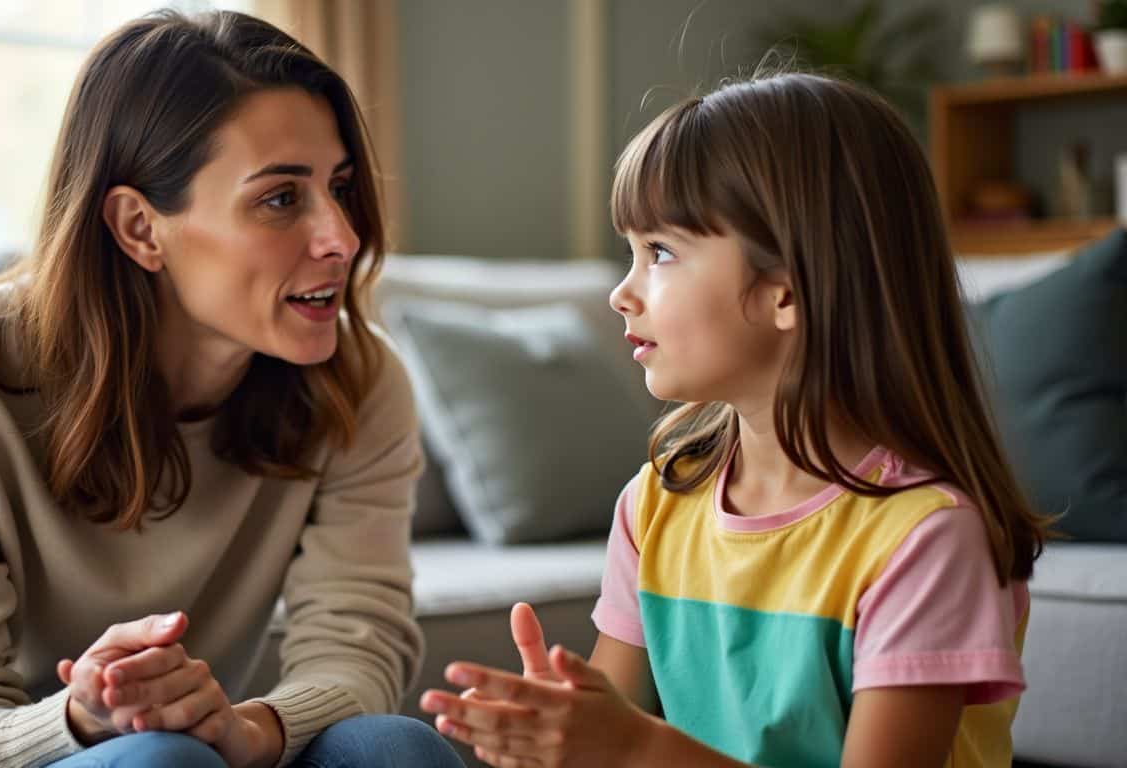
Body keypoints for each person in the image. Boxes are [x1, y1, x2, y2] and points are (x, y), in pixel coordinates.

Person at [0, 10, 462, 768]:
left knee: (393, 751)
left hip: (172, 752)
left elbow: (356, 647)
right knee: (158, 763)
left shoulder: (358, 379)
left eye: (339, 187)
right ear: (140, 227)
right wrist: (80, 717)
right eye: (280, 198)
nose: (341, 235)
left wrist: (250, 731)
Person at [420, 72, 1047, 768]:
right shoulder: (656, 504)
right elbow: (615, 743)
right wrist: (559, 743)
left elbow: (634, 747)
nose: (620, 293)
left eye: (659, 252)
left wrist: (632, 746)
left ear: (787, 293)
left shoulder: (925, 541)